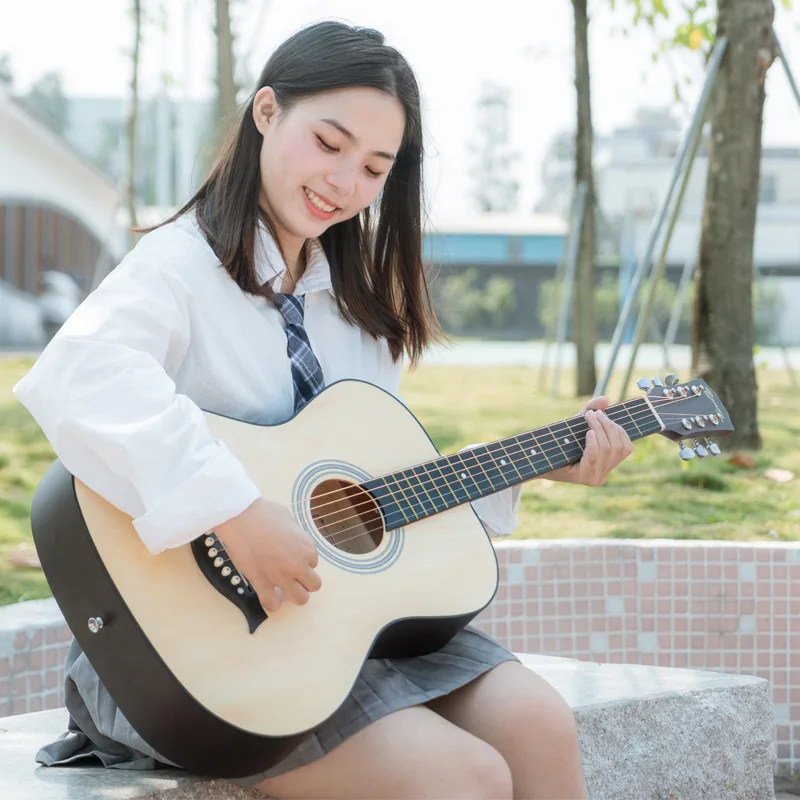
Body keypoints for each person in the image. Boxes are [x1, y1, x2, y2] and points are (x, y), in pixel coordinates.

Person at [13, 20, 632, 800]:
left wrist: (535, 468)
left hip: (340, 623)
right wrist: (233, 510)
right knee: (462, 777)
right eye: (329, 143)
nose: (344, 183)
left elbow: (374, 498)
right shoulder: (178, 265)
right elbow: (80, 375)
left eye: (374, 168)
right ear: (267, 111)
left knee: (541, 725)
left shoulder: (355, 310)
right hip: (185, 649)